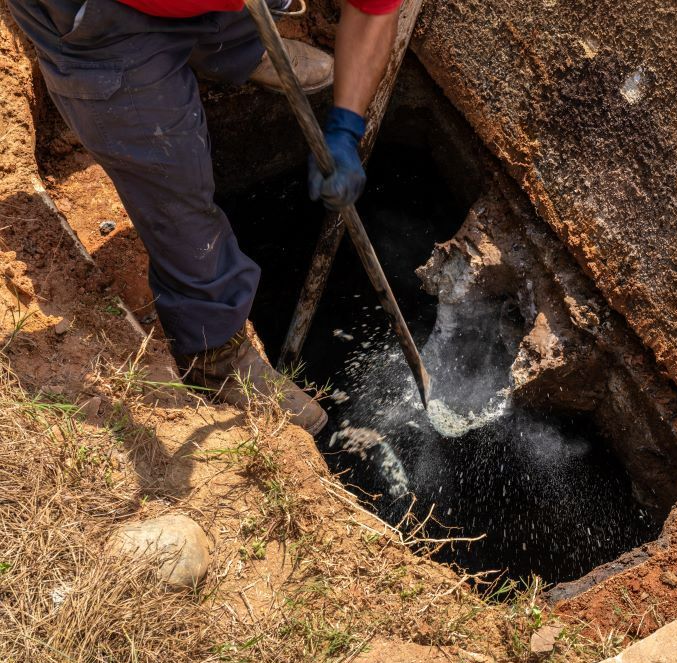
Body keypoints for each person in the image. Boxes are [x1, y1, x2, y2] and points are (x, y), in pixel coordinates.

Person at [7, 0, 402, 435]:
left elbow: (373, 11)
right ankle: (214, 354)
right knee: (172, 181)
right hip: (99, 18)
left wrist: (346, 124)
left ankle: (232, 44)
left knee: (232, 12)